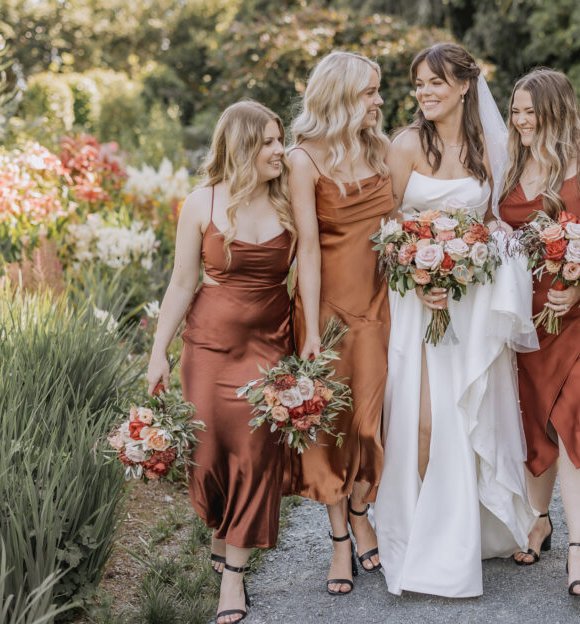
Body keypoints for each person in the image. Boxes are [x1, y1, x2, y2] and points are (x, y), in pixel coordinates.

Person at [373, 42, 538, 598]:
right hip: (417, 301)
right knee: (422, 420)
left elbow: (497, 224)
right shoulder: (403, 146)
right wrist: (419, 272)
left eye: (435, 82)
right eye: (418, 83)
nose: (424, 92)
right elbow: (387, 226)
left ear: (464, 86)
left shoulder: (491, 147)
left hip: (468, 299)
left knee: (468, 415)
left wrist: (468, 258)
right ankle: (419, 530)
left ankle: (470, 527)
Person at [146, 100, 295, 624]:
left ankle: (233, 578)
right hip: (207, 348)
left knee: (255, 456)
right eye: (270, 142)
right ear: (241, 146)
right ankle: (221, 526)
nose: (281, 150)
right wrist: (158, 350)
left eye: (282, 139)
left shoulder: (288, 204)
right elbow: (183, 281)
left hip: (270, 347)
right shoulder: (201, 203)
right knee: (206, 459)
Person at [498, 68, 580, 597]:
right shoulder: (510, 161)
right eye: (516, 110)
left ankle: (578, 550)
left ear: (557, 109)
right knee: (533, 420)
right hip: (526, 314)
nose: (522, 120)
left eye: (531, 110)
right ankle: (538, 518)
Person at [285, 51, 392, 596]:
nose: (379, 101)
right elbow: (306, 249)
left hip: (382, 305)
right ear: (343, 96)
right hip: (327, 313)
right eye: (371, 92)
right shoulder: (302, 160)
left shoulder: (381, 148)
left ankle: (362, 506)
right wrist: (308, 332)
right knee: (330, 426)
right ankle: (339, 539)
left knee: (372, 422)